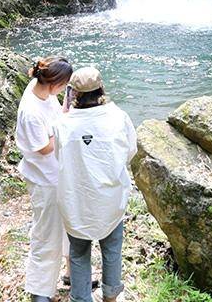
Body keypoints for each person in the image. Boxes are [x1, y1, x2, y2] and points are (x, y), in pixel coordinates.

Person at [54, 66, 136, 302]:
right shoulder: (118, 117)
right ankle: (110, 295)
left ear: (74, 94)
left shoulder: (64, 124)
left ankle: (81, 298)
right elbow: (130, 151)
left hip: (75, 198)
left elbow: (58, 155)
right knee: (112, 249)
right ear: (101, 89)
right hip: (109, 198)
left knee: (79, 254)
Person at [16, 56, 74, 302]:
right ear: (54, 84)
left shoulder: (41, 89)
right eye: (64, 86)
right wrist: (69, 127)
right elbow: (44, 147)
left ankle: (73, 274)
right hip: (44, 178)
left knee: (70, 224)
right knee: (46, 233)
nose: (63, 90)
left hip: (58, 173)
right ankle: (40, 290)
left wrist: (66, 111)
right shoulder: (31, 111)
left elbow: (57, 116)